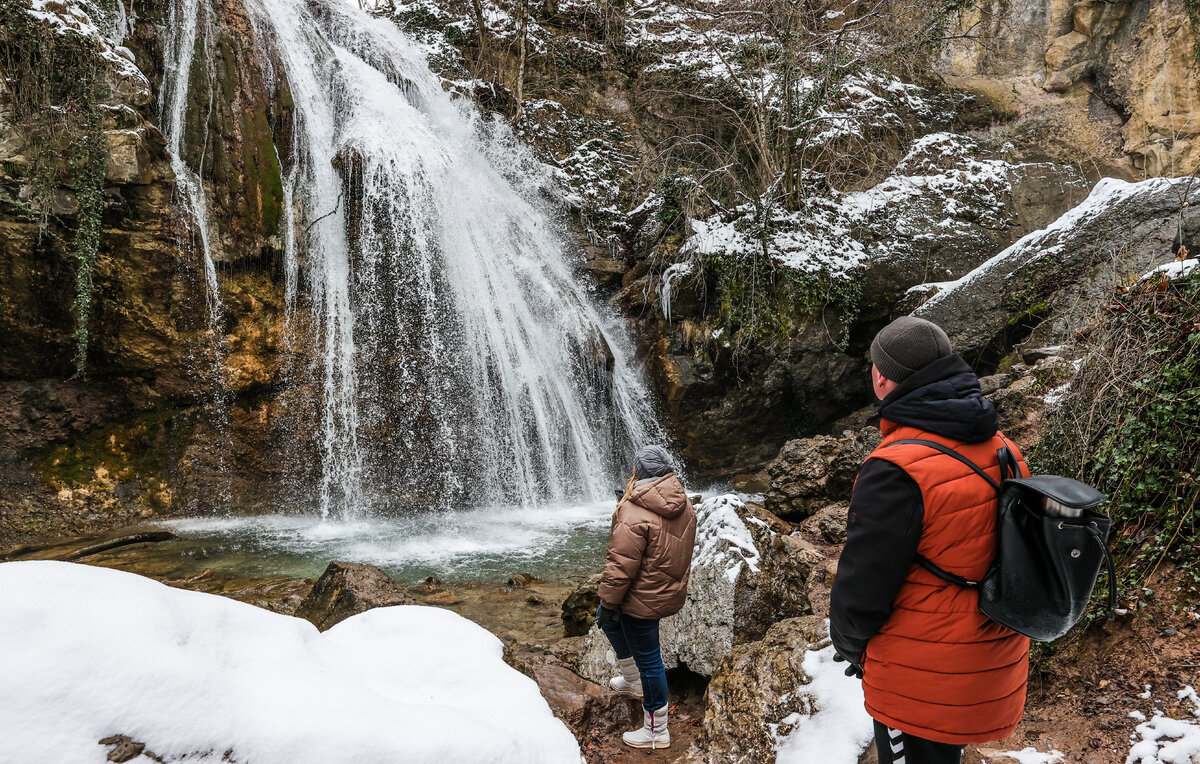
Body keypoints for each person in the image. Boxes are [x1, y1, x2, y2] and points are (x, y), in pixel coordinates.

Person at [829, 316, 1031, 764]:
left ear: (882, 378)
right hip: (988, 654)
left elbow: (864, 584)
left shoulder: (896, 469)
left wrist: (848, 644)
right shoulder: (1003, 446)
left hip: (919, 675)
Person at [595, 445, 696, 751]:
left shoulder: (633, 510)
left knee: (650, 661)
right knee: (612, 627)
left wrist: (609, 602)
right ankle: (632, 679)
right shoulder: (684, 503)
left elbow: (620, 566)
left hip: (639, 597)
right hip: (664, 591)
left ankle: (656, 730)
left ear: (637, 472)